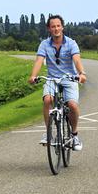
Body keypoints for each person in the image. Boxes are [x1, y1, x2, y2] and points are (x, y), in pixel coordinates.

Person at [28, 14, 87, 150]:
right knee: (47, 100)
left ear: (62, 27)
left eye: (58, 26)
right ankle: (48, 133)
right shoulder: (44, 44)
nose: (56, 29)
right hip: (52, 79)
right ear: (49, 29)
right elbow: (39, 61)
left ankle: (74, 135)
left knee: (72, 105)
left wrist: (81, 74)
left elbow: (76, 59)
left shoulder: (71, 43)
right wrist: (33, 76)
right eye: (53, 26)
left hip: (69, 78)